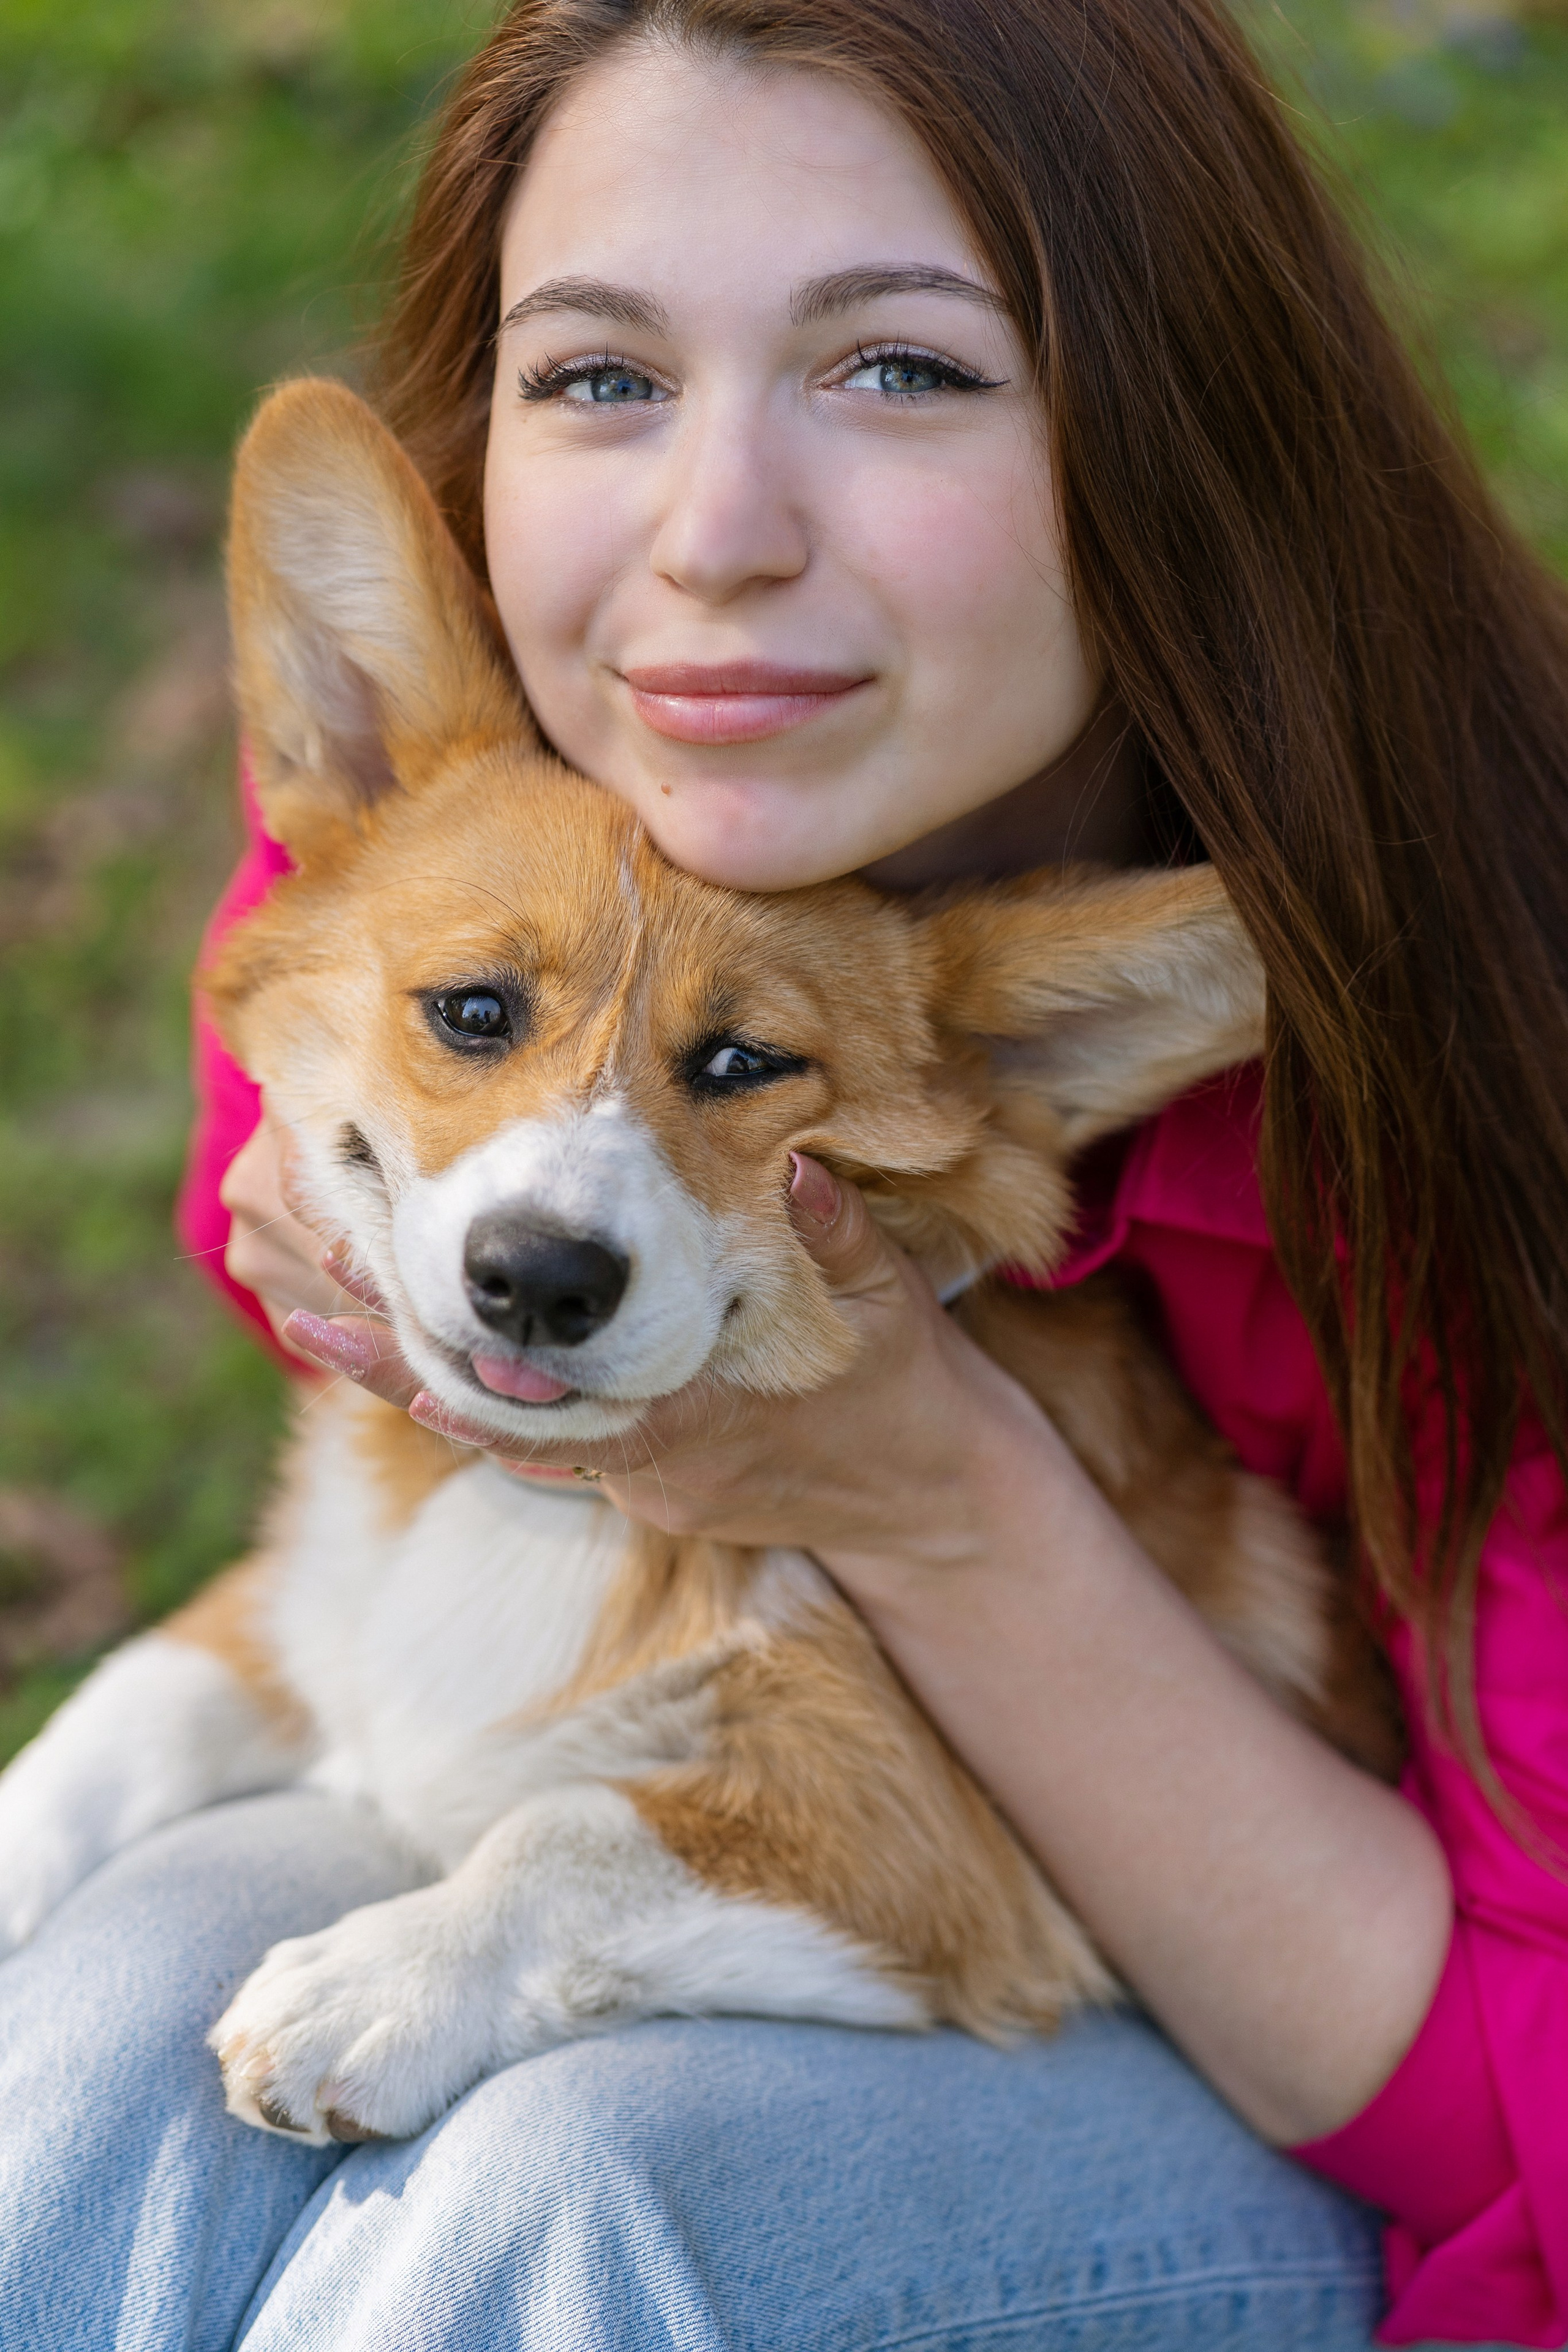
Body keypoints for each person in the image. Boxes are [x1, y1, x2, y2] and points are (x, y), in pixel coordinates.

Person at [4, 0, 1567, 2344]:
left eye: (900, 369)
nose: (713, 545)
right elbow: (359, 1250)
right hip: (623, 1819)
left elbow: (1509, 2112)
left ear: (1172, 420)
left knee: (584, 2182)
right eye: (603, 375)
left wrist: (931, 1484)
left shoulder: (1497, 1042)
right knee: (112, 2019)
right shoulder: (463, 815)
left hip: (1329, 2115)